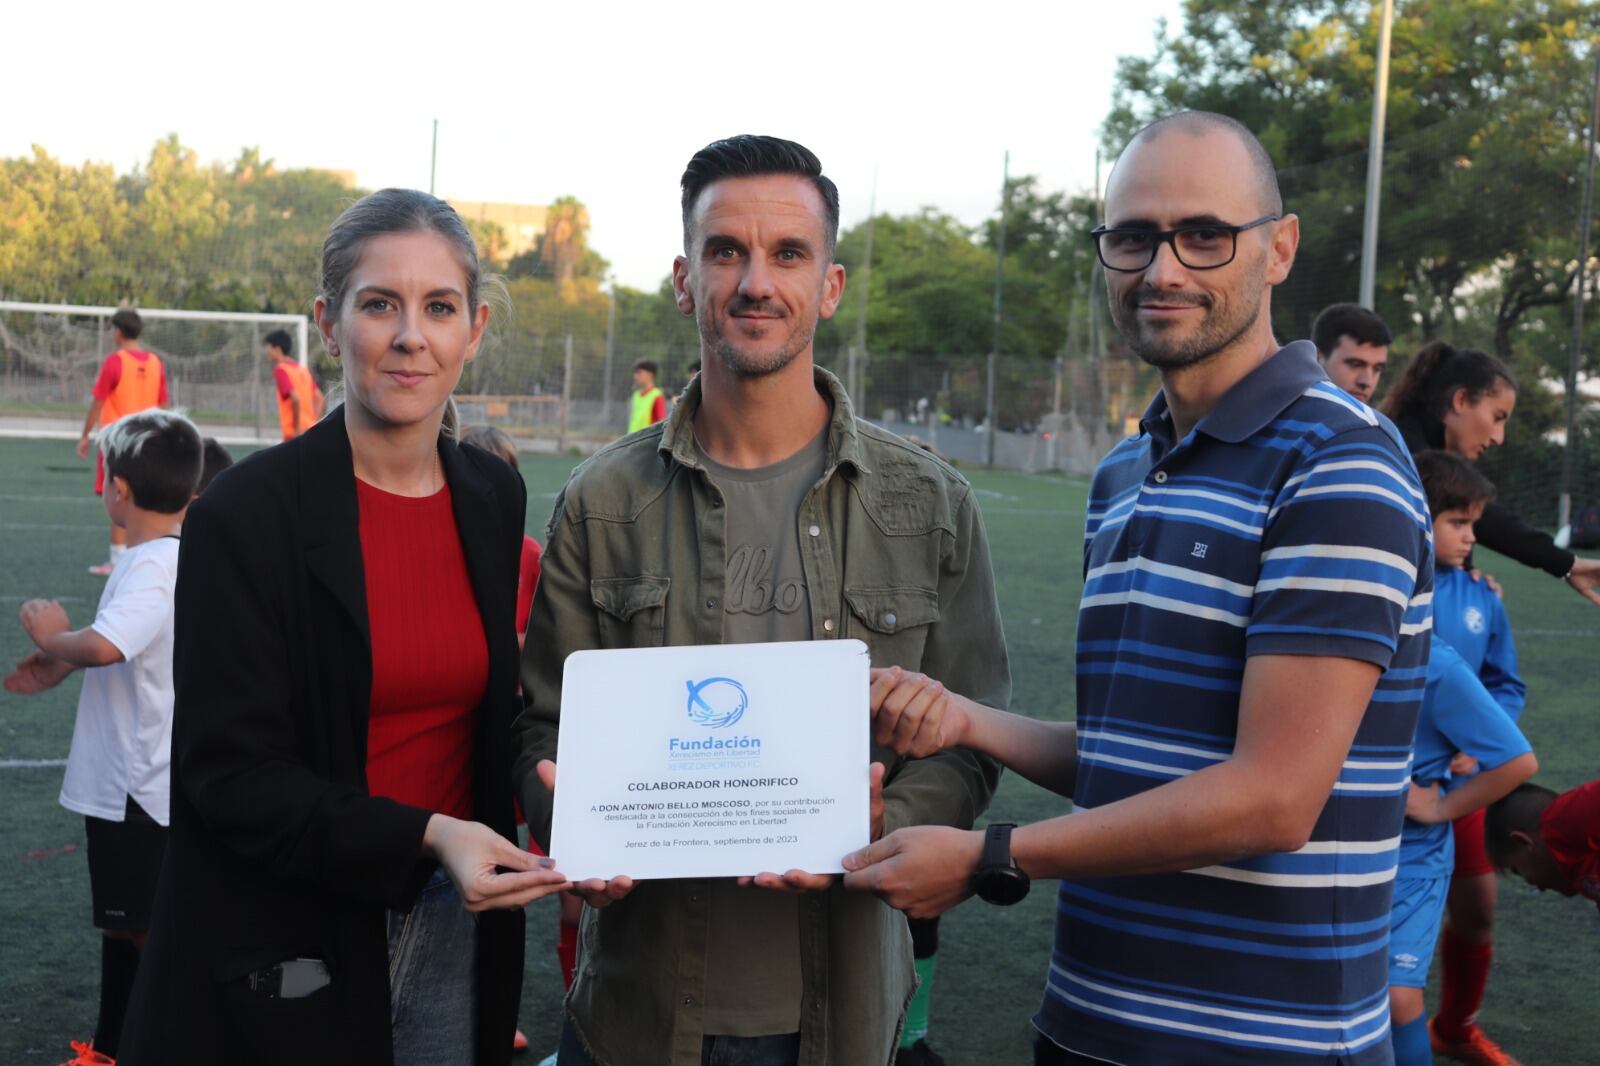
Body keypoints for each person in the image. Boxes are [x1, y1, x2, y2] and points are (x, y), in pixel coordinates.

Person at [843, 111, 1434, 1066]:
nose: (1163, 269)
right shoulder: (1127, 471)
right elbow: (1139, 763)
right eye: (1132, 237)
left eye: (1205, 235)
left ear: (1279, 248)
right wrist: (966, 720)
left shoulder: (1340, 463)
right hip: (1090, 1025)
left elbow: (1273, 799)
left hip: (1264, 1046)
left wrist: (995, 857)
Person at [512, 134, 1010, 1066]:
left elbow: (972, 742)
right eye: (725, 250)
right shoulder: (603, 499)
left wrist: (884, 827)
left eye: (788, 254)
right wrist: (571, 822)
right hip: (640, 1017)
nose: (755, 281)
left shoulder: (930, 503)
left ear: (830, 285)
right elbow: (543, 727)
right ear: (684, 277)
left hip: (845, 1019)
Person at [118, 189, 569, 1066]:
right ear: (329, 322)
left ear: (473, 330)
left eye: (439, 308)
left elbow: (499, 712)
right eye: (379, 304)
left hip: (453, 918)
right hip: (290, 929)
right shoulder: (243, 514)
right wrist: (426, 834)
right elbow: (229, 779)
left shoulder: (491, 495)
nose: (411, 336)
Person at [5, 409, 203, 1066]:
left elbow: (108, 644)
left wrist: (50, 635)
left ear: (117, 488)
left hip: (137, 789)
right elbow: (133, 646)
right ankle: (112, 1048)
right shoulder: (158, 560)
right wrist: (61, 663)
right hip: (132, 787)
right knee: (123, 929)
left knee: (147, 933)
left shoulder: (156, 564)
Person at [1411, 452, 1527, 1065]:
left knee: (1478, 908)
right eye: (1458, 521)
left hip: (1465, 789)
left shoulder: (1484, 596)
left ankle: (1455, 1029)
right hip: (1398, 793)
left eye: (1474, 522)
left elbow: (1506, 686)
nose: (1471, 536)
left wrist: (1473, 745)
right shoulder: (1393, 590)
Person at [1387, 636, 1537, 1066]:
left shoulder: (1436, 663)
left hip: (1410, 852)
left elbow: (1518, 759)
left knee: (1397, 997)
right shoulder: (1305, 636)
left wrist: (1440, 808)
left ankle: (1454, 1028)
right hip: (1319, 841)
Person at [458, 423, 557, 1060]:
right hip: (464, 737)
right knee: (472, 874)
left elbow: (549, 643)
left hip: (520, 738)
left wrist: (512, 650)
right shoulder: (444, 543)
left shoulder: (528, 555)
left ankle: (531, 1007)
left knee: (539, 877)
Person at [1381, 340, 1600, 606]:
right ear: (1460, 400)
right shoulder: (1404, 451)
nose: (1499, 438)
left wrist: (1462, 574)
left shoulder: (1418, 446)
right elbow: (1485, 515)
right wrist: (1564, 563)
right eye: (1498, 417)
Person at [77, 308, 169, 576]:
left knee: (118, 499)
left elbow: (98, 400)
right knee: (145, 499)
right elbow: (163, 404)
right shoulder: (155, 362)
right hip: (148, 441)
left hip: (118, 442)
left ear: (118, 331)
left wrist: (84, 435)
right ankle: (144, 557)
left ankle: (118, 561)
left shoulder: (115, 362)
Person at [1486, 780, 1600, 910]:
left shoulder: (1564, 820)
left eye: (1517, 871)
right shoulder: (1579, 868)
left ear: (1524, 842)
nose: (1538, 887)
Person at [1312, 302, 1391, 403]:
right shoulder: (1287, 413)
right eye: (1355, 364)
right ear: (1318, 358)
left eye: (1377, 369)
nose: (1367, 381)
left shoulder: (1377, 418)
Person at [265, 328, 325, 441]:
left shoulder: (281, 369)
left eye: (268, 347)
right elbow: (320, 398)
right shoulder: (302, 370)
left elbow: (295, 398)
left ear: (277, 348)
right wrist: (312, 423)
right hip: (309, 431)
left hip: (293, 434)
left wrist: (297, 429)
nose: (266, 351)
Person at [627, 358, 666, 432]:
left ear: (650, 374)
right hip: (632, 440)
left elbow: (661, 423)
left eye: (639, 373)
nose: (635, 376)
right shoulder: (636, 395)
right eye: (635, 373)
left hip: (646, 442)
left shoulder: (657, 396)